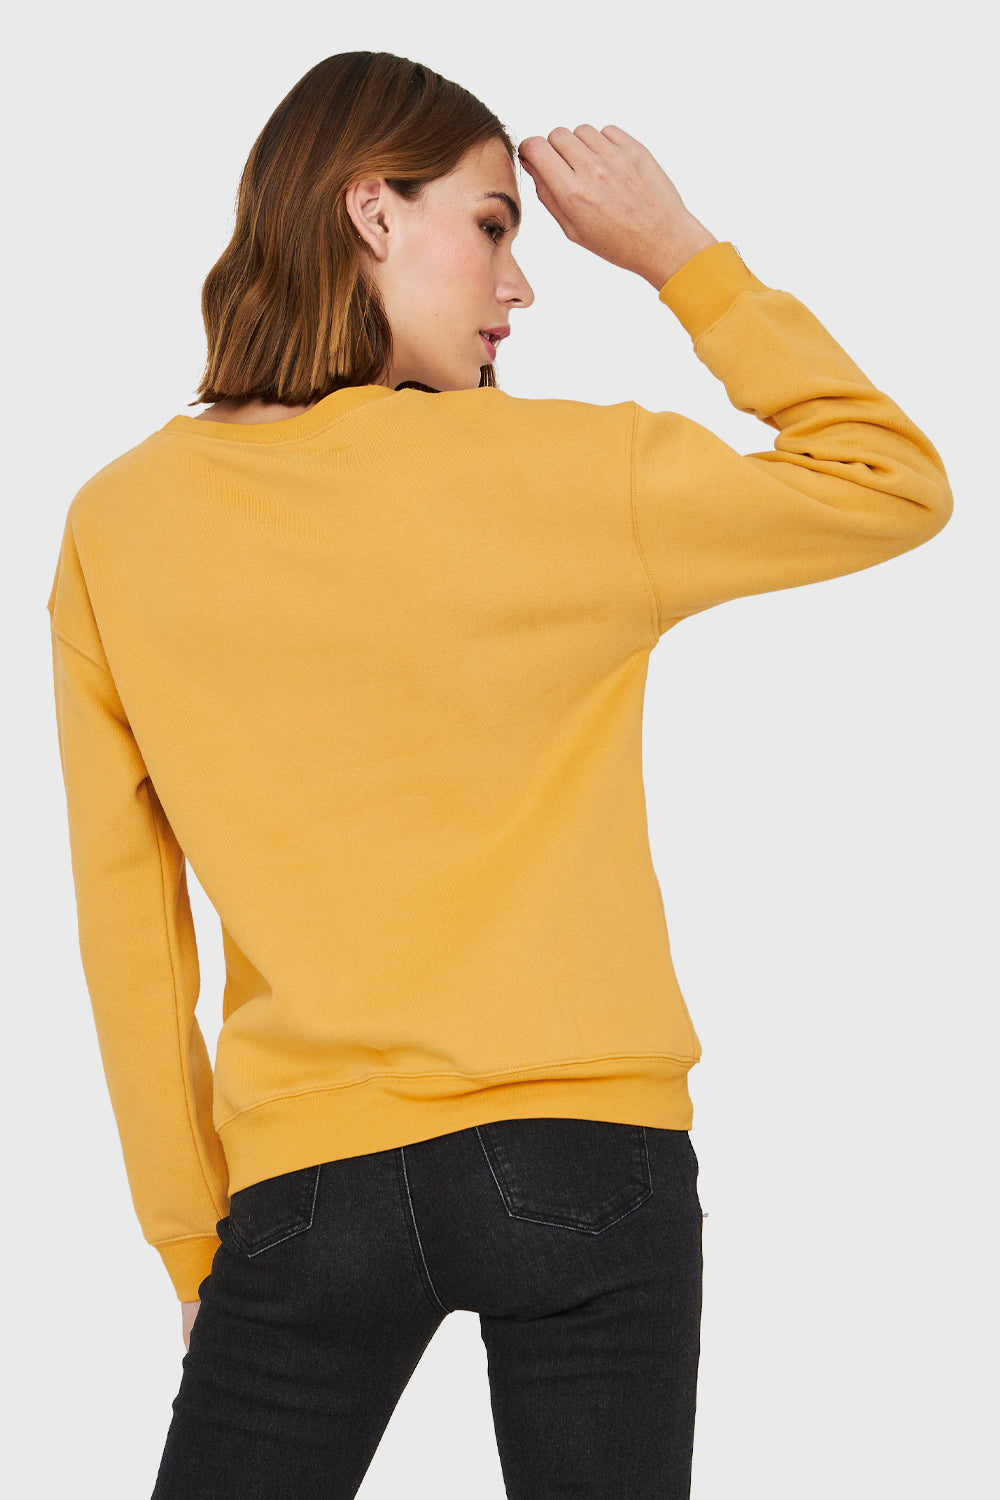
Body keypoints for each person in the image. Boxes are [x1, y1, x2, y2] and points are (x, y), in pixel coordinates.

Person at [45, 50, 953, 1500]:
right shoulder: (575, 475)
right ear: (372, 211)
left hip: (310, 1187)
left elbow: (127, 926)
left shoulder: (121, 524)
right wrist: (677, 252)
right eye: (491, 224)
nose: (520, 284)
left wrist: (190, 1244)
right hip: (590, 1153)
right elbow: (889, 478)